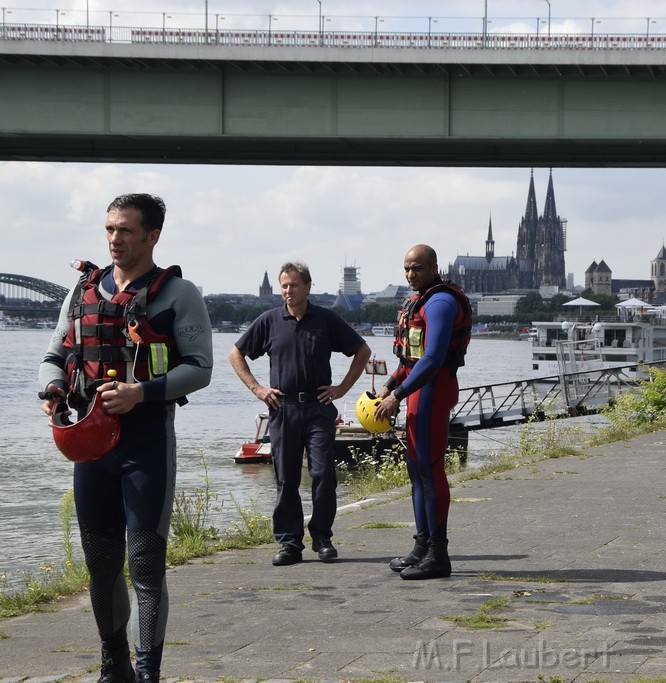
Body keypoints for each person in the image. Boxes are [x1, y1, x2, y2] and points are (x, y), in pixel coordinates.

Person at [38, 193, 214, 683]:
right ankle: (114, 667)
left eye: (126, 231)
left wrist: (141, 393)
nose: (115, 239)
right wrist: (51, 389)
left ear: (152, 235)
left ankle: (147, 669)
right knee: (99, 564)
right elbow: (54, 354)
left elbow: (200, 369)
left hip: (146, 443)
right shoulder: (81, 292)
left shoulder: (180, 294)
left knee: (144, 564)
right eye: (110, 229)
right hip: (91, 445)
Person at [229, 262, 370, 566]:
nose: (288, 291)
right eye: (284, 285)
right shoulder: (268, 321)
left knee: (322, 473)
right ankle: (289, 542)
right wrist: (257, 389)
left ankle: (322, 537)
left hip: (319, 409)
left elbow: (362, 351)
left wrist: (342, 388)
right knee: (286, 478)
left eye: (294, 285)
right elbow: (235, 353)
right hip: (283, 408)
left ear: (307, 287)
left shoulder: (326, 319)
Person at [374, 244, 472, 580]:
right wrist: (388, 386)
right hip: (417, 391)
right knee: (416, 470)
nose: (411, 275)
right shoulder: (420, 302)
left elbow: (431, 360)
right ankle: (422, 545)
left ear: (433, 268)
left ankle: (438, 556)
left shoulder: (441, 302)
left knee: (430, 471)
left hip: (434, 390)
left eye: (417, 268)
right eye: (406, 269)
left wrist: (397, 396)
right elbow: (410, 360)